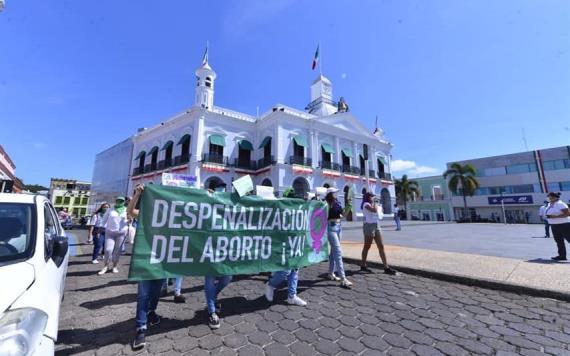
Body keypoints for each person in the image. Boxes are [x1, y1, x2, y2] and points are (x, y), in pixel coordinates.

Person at [128, 184, 166, 351]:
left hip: (163, 261)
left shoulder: (171, 216)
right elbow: (130, 212)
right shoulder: (145, 214)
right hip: (146, 259)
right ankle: (141, 328)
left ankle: (151, 311)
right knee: (143, 294)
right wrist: (137, 194)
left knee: (157, 291)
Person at [204, 181, 232, 329]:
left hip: (225, 248)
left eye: (223, 188)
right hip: (209, 247)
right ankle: (211, 312)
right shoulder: (207, 200)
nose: (222, 191)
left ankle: (212, 298)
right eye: (219, 188)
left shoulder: (228, 202)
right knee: (210, 279)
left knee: (228, 277)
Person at [360, 192, 396, 275]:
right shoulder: (366, 204)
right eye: (372, 196)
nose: (373, 197)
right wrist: (376, 203)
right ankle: (363, 265)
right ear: (368, 197)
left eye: (373, 196)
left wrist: (379, 208)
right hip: (369, 226)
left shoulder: (372, 204)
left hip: (376, 225)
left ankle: (386, 267)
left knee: (381, 246)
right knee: (367, 246)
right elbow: (374, 210)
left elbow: (380, 211)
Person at [325, 187, 352, 288]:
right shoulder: (326, 204)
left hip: (339, 227)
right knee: (338, 252)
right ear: (330, 194)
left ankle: (330, 273)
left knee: (333, 253)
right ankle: (343, 279)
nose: (336, 193)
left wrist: (349, 206)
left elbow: (343, 215)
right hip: (331, 228)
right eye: (335, 192)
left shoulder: (337, 203)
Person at [98, 196, 129, 275]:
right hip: (110, 232)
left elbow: (130, 220)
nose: (119, 202)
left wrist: (129, 220)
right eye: (118, 200)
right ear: (116, 201)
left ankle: (114, 266)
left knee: (117, 251)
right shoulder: (110, 209)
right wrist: (101, 228)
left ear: (124, 202)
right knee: (108, 250)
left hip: (122, 233)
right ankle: (105, 266)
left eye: (121, 201)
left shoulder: (126, 210)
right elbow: (104, 219)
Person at [545, 192, 570, 261]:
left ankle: (562, 256)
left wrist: (554, 216)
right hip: (554, 225)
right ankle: (562, 256)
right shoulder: (550, 204)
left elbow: (568, 213)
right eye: (548, 197)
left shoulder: (560, 204)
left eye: (550, 197)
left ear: (555, 197)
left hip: (564, 225)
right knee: (559, 241)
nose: (548, 198)